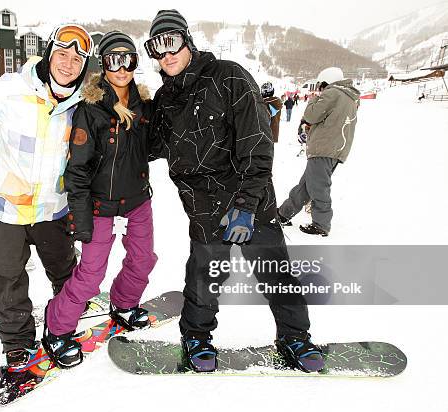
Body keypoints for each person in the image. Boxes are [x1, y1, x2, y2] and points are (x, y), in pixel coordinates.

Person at [146, 9, 323, 374]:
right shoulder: (164, 101)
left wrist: (244, 204)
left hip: (251, 200)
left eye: (172, 43)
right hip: (203, 206)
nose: (167, 55)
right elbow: (145, 148)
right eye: (157, 49)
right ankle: (196, 336)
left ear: (187, 41)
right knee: (204, 274)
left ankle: (294, 336)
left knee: (275, 270)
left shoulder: (229, 77)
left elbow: (258, 146)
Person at [0, 23, 94, 367]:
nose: (67, 64)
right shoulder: (9, 90)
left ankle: (62, 325)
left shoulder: (82, 105)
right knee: (8, 275)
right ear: (49, 54)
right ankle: (17, 341)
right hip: (6, 210)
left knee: (64, 269)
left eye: (76, 61)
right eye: (62, 54)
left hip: (53, 209)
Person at [41, 31, 157, 369]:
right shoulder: (89, 110)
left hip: (137, 200)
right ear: (103, 65)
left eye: (128, 60)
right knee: (91, 273)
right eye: (112, 60)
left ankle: (123, 303)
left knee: (143, 259)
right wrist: (79, 220)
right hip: (98, 205)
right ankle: (57, 327)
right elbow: (76, 169)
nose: (121, 68)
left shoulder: (144, 105)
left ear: (136, 63)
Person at [277, 67, 360, 236]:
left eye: (321, 85)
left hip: (324, 148)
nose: (320, 89)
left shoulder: (333, 93)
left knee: (318, 187)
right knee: (306, 186)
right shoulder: (349, 97)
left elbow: (311, 115)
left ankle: (321, 224)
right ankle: (283, 214)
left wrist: (312, 100)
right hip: (334, 148)